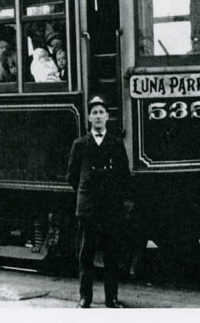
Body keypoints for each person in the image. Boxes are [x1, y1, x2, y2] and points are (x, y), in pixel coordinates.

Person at [66, 95, 129, 309]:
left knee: (112, 255)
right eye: (95, 113)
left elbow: (124, 176)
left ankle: (111, 298)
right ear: (89, 118)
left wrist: (115, 197)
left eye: (102, 112)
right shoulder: (80, 144)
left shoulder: (116, 144)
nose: (99, 116)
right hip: (89, 208)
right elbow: (72, 176)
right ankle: (85, 298)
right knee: (86, 254)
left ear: (108, 117)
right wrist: (86, 195)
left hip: (111, 207)